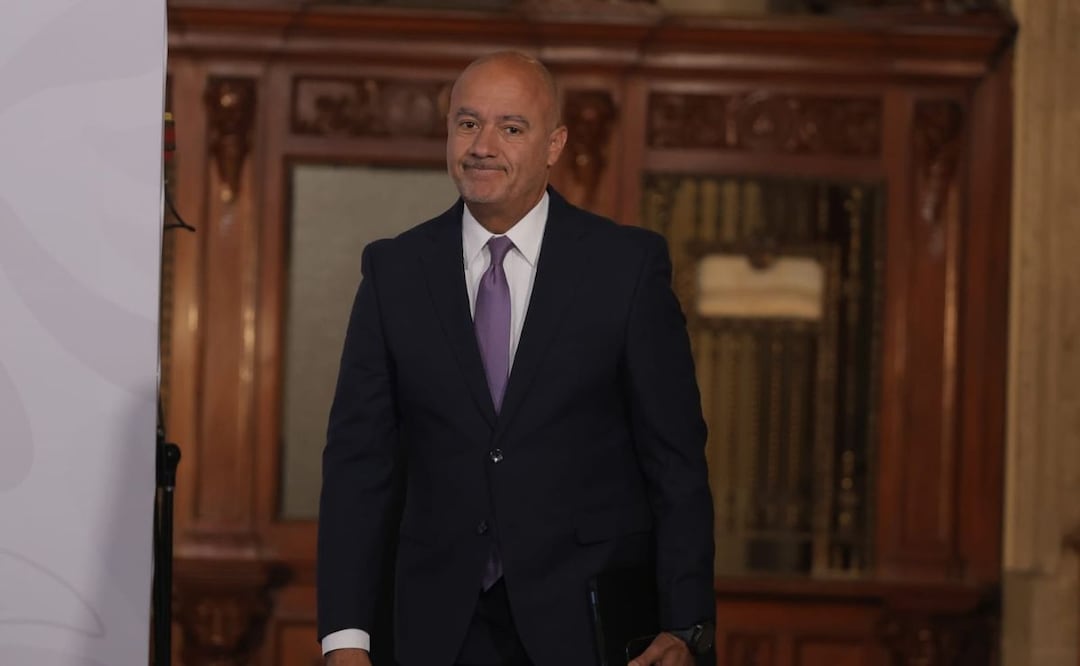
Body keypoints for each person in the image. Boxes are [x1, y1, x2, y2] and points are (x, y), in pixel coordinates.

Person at [317, 51, 715, 666]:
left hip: (586, 628)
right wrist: (345, 637)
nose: (483, 144)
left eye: (511, 127)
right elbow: (357, 463)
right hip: (433, 627)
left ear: (554, 144)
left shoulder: (626, 269)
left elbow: (675, 460)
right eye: (467, 122)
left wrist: (686, 625)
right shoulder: (394, 271)